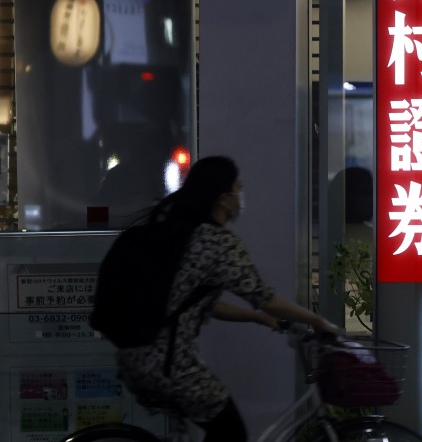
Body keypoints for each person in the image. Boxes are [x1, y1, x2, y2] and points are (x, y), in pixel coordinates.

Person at [114, 156, 339, 442]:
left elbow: (203, 304)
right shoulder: (218, 242)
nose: (241, 194)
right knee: (231, 432)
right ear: (223, 199)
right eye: (237, 188)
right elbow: (265, 298)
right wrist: (318, 321)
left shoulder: (181, 232)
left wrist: (257, 318)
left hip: (137, 358)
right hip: (170, 365)